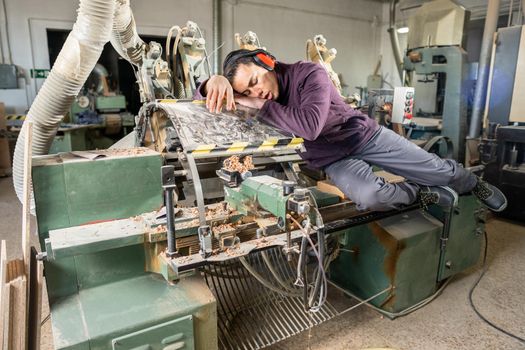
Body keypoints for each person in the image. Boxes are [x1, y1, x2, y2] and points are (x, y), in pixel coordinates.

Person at [195, 49, 507, 212]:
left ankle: (470, 182)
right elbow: (199, 100)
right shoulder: (256, 95)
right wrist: (211, 83)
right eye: (245, 92)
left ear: (267, 62)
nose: (255, 92)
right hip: (332, 159)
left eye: (254, 82)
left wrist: (259, 106)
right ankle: (420, 191)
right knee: (371, 196)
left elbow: (310, 127)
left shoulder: (309, 73)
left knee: (442, 172)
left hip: (364, 137)